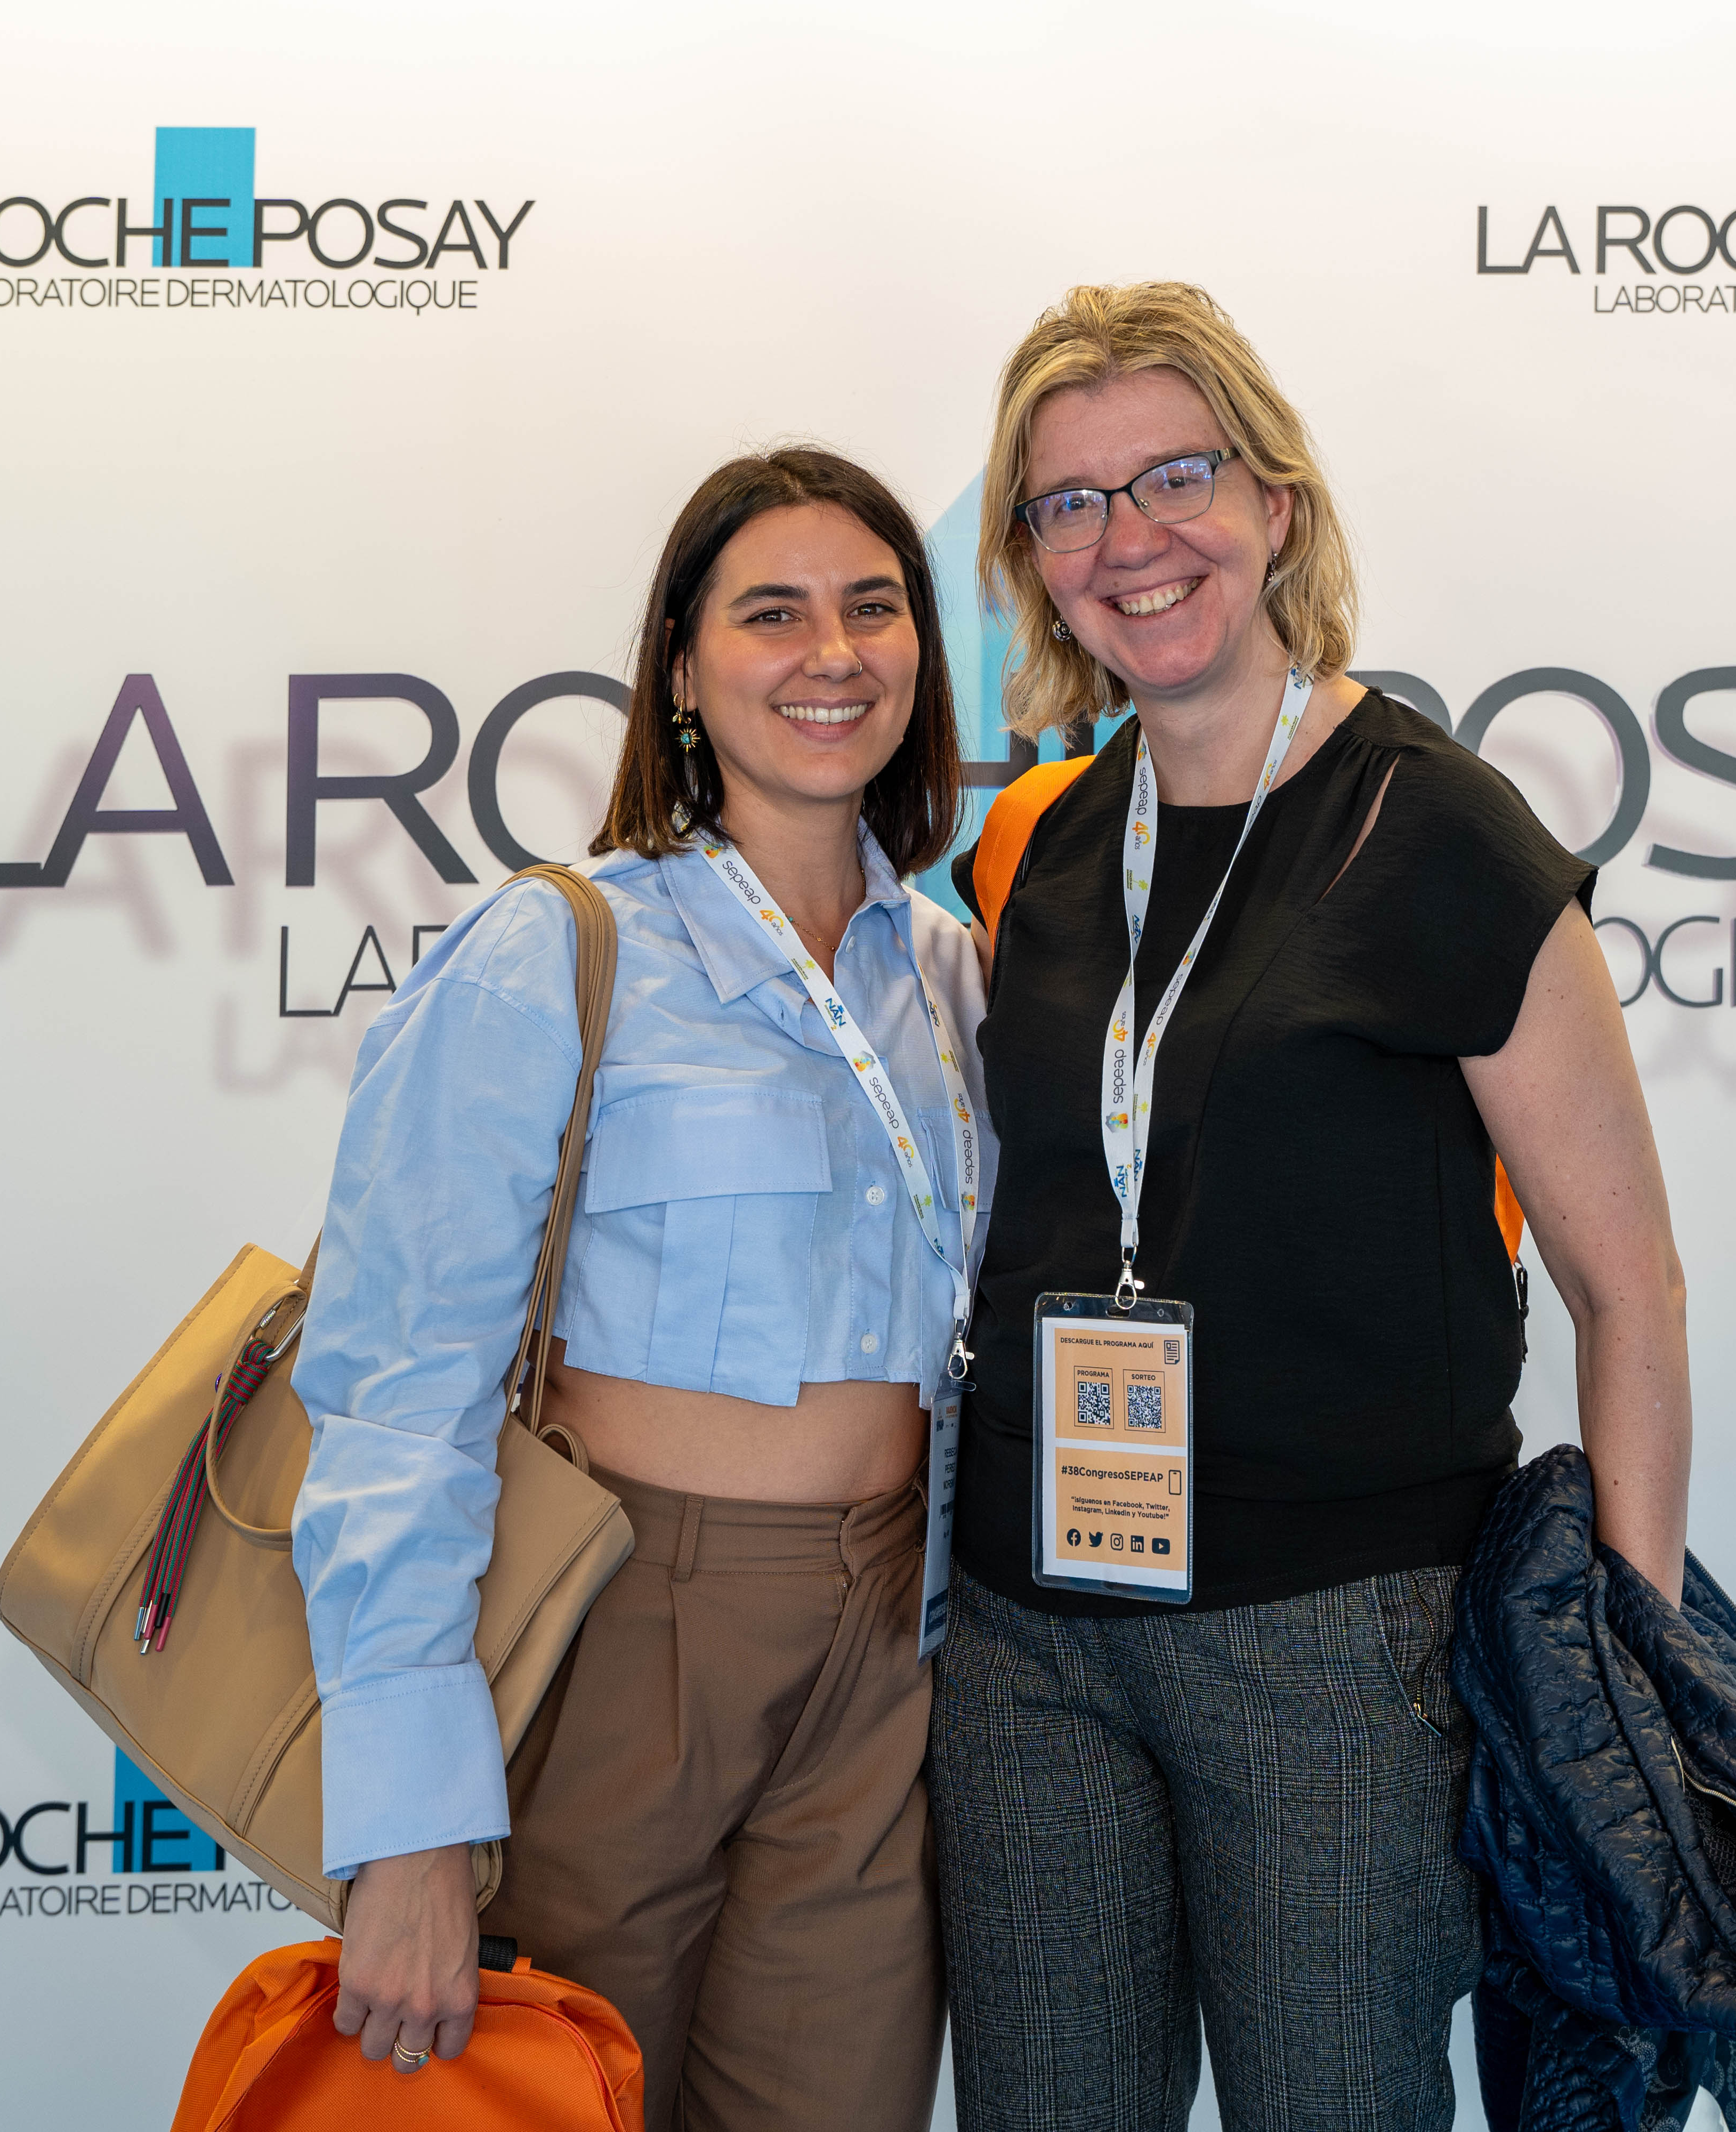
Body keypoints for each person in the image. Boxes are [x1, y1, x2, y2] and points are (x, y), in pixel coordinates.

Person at [933, 282, 1695, 2131]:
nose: (1132, 539)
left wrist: (1628, 1679)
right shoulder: (1036, 841)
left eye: (1176, 477)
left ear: (1275, 503)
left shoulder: (1444, 832)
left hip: (1339, 1647)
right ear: (1033, 566)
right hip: (1030, 1639)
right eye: (1071, 503)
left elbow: (1630, 1291)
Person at [288, 446, 989, 2132]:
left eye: (872, 607)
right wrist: (407, 1826)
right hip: (624, 1624)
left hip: (893, 1650)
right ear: (681, 669)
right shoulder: (559, 947)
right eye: (772, 614)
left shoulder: (955, 976)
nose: (833, 653)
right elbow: (397, 1387)